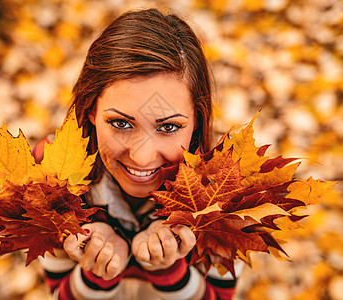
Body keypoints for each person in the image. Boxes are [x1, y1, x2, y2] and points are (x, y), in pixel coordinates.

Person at [33, 8, 241, 300]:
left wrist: (168, 269)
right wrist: (97, 271)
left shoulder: (224, 187)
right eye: (120, 123)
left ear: (197, 120)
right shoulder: (51, 174)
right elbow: (57, 291)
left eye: (168, 126)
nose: (142, 158)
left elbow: (219, 297)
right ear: (91, 109)